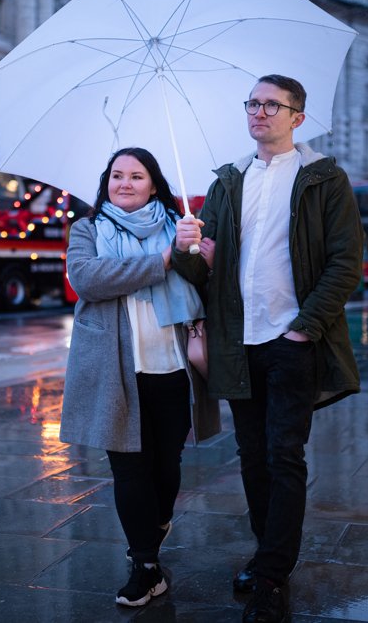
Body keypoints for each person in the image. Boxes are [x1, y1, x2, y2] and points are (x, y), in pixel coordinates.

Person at [172, 74, 363, 623]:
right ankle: (266, 554)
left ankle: (273, 575)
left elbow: (345, 263)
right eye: (252, 103)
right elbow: (201, 270)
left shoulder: (322, 178)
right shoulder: (227, 181)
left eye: (271, 105)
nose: (258, 112)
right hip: (238, 341)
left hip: (290, 341)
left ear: (296, 117)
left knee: (284, 456)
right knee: (252, 457)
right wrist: (187, 249)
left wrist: (303, 328)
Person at [60, 147, 220, 608]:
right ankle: (145, 567)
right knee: (128, 470)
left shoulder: (179, 226)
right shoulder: (87, 229)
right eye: (116, 175)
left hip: (172, 364)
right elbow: (89, 279)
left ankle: (159, 522)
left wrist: (194, 251)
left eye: (136, 175)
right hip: (115, 368)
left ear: (154, 184)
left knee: (165, 465)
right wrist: (162, 261)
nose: (124, 183)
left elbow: (206, 283)